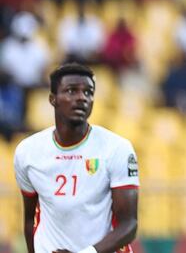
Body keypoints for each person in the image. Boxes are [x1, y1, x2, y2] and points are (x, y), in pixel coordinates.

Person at [13, 63, 139, 253]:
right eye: (71, 91)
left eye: (88, 92)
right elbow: (31, 219)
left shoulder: (117, 148)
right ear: (53, 99)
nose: (82, 98)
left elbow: (128, 226)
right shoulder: (27, 152)